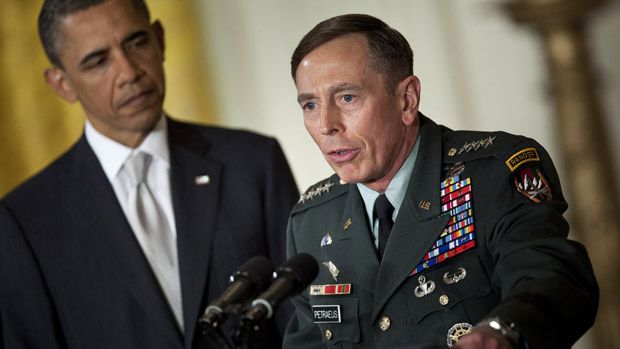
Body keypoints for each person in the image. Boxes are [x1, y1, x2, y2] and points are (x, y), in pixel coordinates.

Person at [283, 14, 598, 349]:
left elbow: (552, 279)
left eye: (347, 98)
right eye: (311, 105)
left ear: (407, 99)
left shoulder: (493, 172)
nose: (326, 124)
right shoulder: (311, 221)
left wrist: (502, 330)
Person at [0, 0, 298, 348]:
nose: (129, 72)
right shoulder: (24, 221)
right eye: (98, 61)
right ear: (62, 84)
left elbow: (303, 321)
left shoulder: (254, 163)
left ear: (160, 39)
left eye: (137, 42)